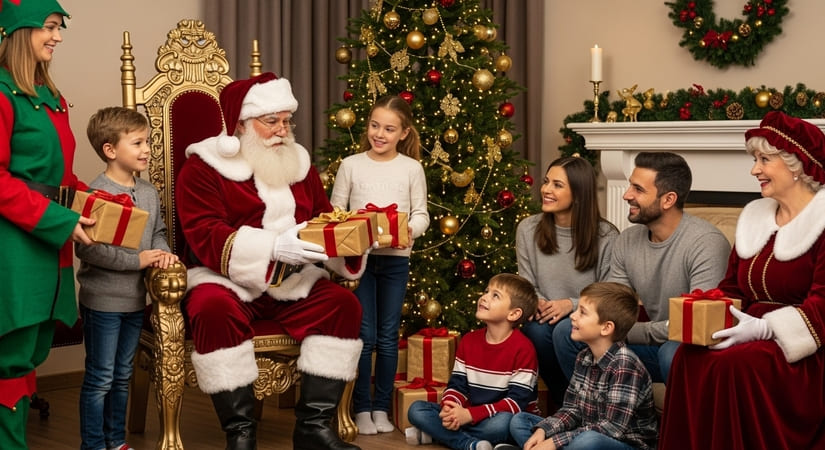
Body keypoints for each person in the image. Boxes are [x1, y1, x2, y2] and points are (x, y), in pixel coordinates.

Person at [176, 72, 368, 450]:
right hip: (225, 279)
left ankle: (313, 428)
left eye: (286, 120)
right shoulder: (202, 168)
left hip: (290, 282)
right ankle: (240, 434)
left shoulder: (298, 164)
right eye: (272, 121)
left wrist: (354, 240)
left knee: (342, 304)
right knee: (211, 309)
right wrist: (273, 247)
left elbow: (323, 219)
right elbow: (204, 234)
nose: (282, 130)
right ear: (242, 124)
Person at [660, 112, 825, 450]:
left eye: (765, 159)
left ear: (796, 165)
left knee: (735, 366)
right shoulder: (755, 218)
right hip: (750, 336)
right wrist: (706, 308)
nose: (754, 170)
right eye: (754, 159)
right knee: (687, 357)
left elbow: (822, 305)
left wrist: (765, 329)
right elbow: (734, 288)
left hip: (805, 351)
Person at [0, 2, 96, 448]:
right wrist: (59, 218)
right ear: (22, 30)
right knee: (11, 359)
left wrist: (96, 202)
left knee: (30, 353)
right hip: (15, 249)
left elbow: (57, 177)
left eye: (59, 28)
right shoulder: (1, 94)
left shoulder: (49, 97)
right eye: (50, 27)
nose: (57, 36)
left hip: (48, 246)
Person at [554, 152, 730, 383]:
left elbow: (697, 325)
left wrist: (631, 331)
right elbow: (610, 306)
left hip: (693, 348)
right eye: (629, 186)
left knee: (673, 351)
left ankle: (679, 420)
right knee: (567, 332)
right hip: (652, 344)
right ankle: (591, 411)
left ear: (668, 200)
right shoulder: (627, 240)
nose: (627, 195)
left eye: (638, 189)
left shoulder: (706, 243)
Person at [75, 107, 178, 450]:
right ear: (110, 150)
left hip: (136, 301)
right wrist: (138, 261)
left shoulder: (148, 192)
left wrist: (161, 253)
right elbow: (89, 251)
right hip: (102, 302)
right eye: (137, 143)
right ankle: (93, 445)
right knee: (101, 379)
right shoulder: (95, 194)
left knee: (122, 377)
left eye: (147, 141)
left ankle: (116, 441)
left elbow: (158, 232)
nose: (147, 149)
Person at [329, 95, 430, 435]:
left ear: (404, 132)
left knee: (387, 337)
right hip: (359, 263)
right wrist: (354, 232)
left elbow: (421, 214)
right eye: (375, 125)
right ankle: (361, 408)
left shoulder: (411, 168)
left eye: (389, 129)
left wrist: (405, 231)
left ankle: (381, 406)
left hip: (396, 261)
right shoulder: (351, 165)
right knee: (364, 334)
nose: (379, 134)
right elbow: (335, 213)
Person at [504, 282, 658, 450]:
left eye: (582, 312)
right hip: (584, 434)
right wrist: (544, 430)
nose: (573, 316)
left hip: (621, 443)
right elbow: (572, 409)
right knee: (520, 421)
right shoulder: (583, 358)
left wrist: (555, 442)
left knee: (587, 441)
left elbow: (611, 429)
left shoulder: (625, 366)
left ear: (606, 328)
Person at [516, 156, 618, 408]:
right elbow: (526, 280)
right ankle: (569, 404)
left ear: (579, 194)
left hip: (589, 316)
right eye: (546, 181)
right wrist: (536, 299)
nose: (546, 190)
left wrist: (571, 305)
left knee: (566, 330)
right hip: (544, 317)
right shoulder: (528, 229)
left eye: (557, 185)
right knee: (536, 331)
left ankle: (581, 405)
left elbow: (610, 293)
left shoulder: (606, 236)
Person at [406, 273, 540, 450]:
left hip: (500, 417)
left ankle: (440, 435)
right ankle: (470, 444)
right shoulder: (469, 340)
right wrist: (449, 409)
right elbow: (457, 385)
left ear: (514, 314)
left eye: (495, 295)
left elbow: (515, 404)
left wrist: (469, 414)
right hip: (470, 415)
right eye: (486, 291)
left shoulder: (524, 348)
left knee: (503, 423)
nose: (484, 297)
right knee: (417, 410)